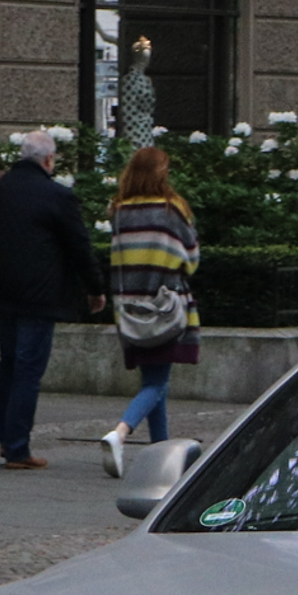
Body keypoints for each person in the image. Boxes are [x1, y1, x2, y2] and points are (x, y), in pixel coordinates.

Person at [0, 129, 105, 469]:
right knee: (28, 369)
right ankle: (17, 448)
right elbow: (80, 247)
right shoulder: (57, 196)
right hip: (40, 295)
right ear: (49, 160)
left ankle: (6, 438)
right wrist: (95, 288)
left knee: (8, 363)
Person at [101, 146, 201, 478]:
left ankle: (162, 450)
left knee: (154, 378)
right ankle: (121, 432)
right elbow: (191, 257)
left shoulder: (118, 211)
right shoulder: (172, 209)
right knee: (157, 383)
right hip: (165, 307)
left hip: (130, 309)